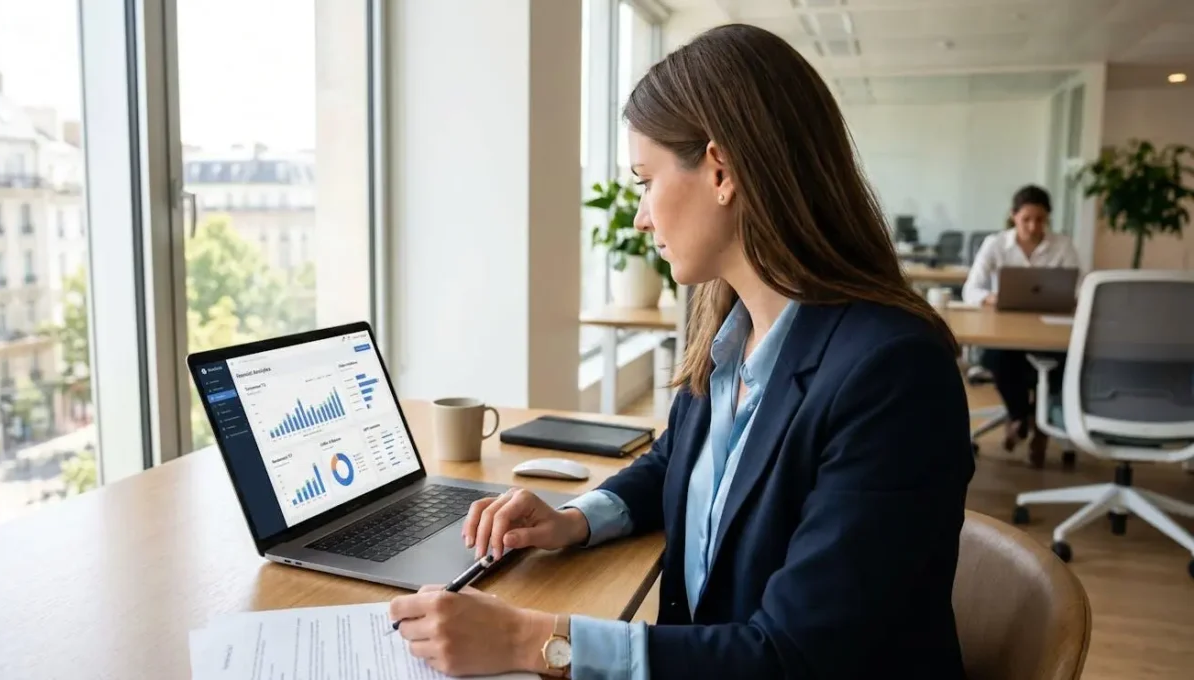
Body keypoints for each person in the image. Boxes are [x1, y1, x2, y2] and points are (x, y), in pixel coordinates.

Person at [388, 24, 974, 679]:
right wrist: (573, 520)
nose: (639, 215)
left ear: (720, 171)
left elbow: (798, 656)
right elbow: (680, 462)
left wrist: (535, 642)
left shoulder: (892, 373)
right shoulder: (727, 322)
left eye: (644, 179)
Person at [962, 185, 1079, 466]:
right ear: (1013, 216)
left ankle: (1039, 425)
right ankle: (1020, 416)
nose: (1033, 226)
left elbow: (1079, 289)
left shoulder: (1062, 246)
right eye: (1026, 219)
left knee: (1063, 360)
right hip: (1006, 328)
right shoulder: (996, 244)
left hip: (1049, 328)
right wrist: (992, 297)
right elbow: (970, 289)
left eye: (1040, 219)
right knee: (997, 356)